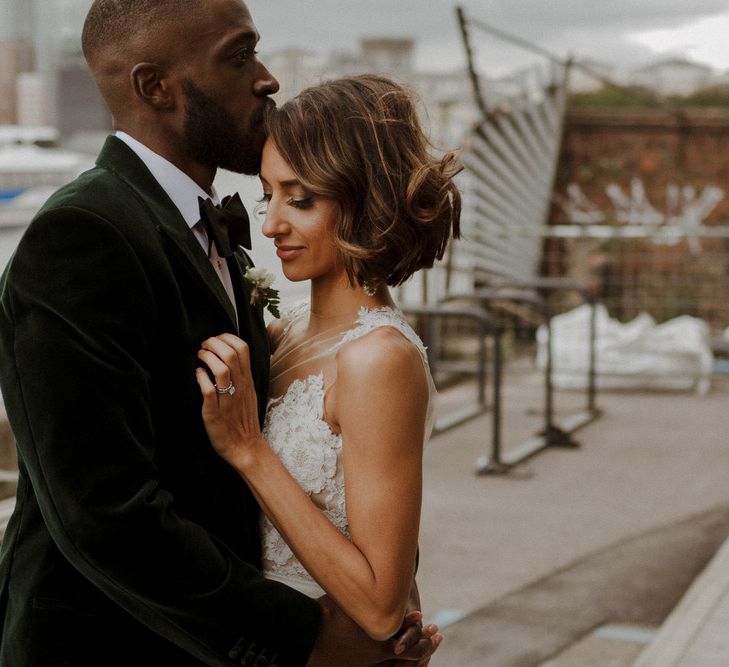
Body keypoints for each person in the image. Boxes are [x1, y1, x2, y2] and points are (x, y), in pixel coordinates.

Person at [0, 1, 438, 664]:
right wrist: (315, 640)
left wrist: (385, 608)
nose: (266, 78)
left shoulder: (216, 244)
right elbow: (104, 511)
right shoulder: (82, 234)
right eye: (239, 55)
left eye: (300, 196)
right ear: (156, 86)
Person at [196, 74, 461, 650]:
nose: (270, 225)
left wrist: (248, 450)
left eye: (302, 199)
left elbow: (380, 607)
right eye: (270, 196)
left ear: (365, 197)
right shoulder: (281, 331)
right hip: (261, 646)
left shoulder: (378, 360)